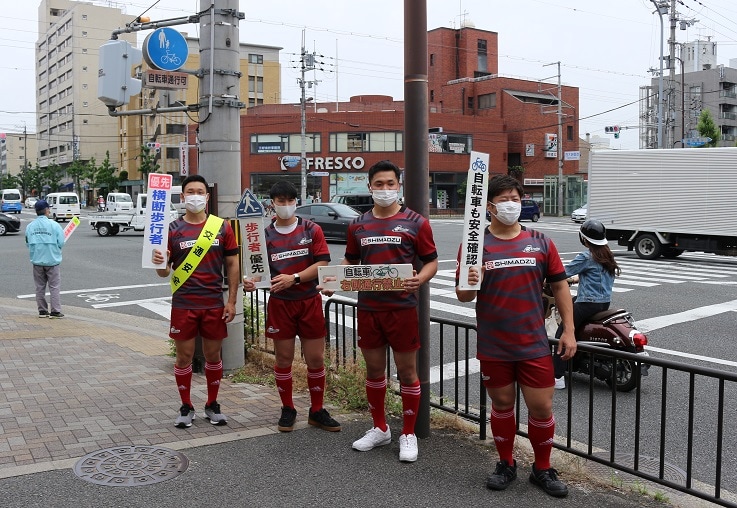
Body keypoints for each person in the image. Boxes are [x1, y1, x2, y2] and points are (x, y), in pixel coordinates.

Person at [455, 174, 576, 498]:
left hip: (533, 343)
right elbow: (464, 296)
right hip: (494, 344)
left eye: (515, 198)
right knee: (503, 404)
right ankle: (506, 462)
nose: (511, 204)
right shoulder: (474, 245)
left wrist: (570, 331)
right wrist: (470, 280)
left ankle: (542, 467)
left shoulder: (540, 241)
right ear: (490, 206)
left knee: (541, 407)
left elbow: (561, 285)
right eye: (504, 199)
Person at [329, 160, 438, 463]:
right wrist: (335, 278)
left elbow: (431, 260)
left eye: (391, 184)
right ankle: (380, 428)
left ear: (398, 185)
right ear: (370, 187)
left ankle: (408, 433)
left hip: (402, 308)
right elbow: (350, 261)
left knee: (407, 373)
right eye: (379, 184)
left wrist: (422, 277)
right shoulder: (358, 224)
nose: (386, 189)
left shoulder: (417, 222)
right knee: (375, 371)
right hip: (369, 308)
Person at [243, 181, 341, 433]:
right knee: (284, 360)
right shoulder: (263, 236)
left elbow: (322, 263)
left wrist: (294, 278)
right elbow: (257, 272)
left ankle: (317, 410)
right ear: (272, 204)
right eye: (280, 201)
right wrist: (250, 281)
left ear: (296, 202)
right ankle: (288, 408)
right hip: (280, 305)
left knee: (316, 359)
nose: (285, 206)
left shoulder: (311, 229)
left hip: (309, 301)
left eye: (289, 201)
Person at [152, 174, 240, 429]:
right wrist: (160, 264)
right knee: (183, 358)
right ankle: (186, 406)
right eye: (190, 191)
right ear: (182, 196)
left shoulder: (221, 227)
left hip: (213, 303)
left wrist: (231, 301)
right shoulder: (171, 229)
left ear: (207, 196)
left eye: (199, 191)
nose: (195, 196)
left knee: (213, 356)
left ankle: (212, 404)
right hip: (184, 303)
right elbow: (163, 271)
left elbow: (233, 264)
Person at [552, 219, 621, 389]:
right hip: (603, 303)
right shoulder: (606, 254)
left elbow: (562, 272)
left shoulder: (586, 256)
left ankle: (557, 376)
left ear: (584, 238)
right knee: (571, 303)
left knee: (563, 332)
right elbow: (595, 275)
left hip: (588, 303)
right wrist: (577, 278)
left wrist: (547, 276)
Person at [25, 199, 66, 318]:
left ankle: (42, 310)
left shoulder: (30, 226)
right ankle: (55, 311)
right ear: (47, 210)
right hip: (52, 260)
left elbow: (27, 243)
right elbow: (61, 242)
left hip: (37, 260)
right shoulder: (54, 225)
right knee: (54, 287)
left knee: (39, 286)